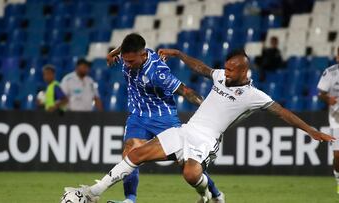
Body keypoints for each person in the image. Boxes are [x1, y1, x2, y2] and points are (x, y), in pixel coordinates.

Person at [65, 49, 334, 203]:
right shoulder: (219, 77)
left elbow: (283, 112)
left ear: (243, 71)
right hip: (186, 130)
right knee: (135, 154)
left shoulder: (255, 95)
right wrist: (178, 54)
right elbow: (201, 67)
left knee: (191, 176)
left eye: (231, 70)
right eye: (225, 68)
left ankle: (211, 196)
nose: (225, 73)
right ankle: (93, 193)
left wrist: (311, 130)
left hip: (206, 141)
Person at [105, 33, 223, 203]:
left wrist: (207, 108)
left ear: (143, 54)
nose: (127, 65)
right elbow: (123, 48)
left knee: (187, 165)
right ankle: (130, 200)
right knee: (130, 152)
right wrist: (113, 53)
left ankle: (216, 194)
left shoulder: (158, 72)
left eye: (131, 61)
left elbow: (185, 91)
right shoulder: (127, 56)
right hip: (138, 115)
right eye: (124, 59)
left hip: (164, 118)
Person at [317, 46, 339, 194]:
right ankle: (338, 178)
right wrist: (328, 99)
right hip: (336, 119)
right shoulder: (330, 73)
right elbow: (320, 94)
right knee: (338, 155)